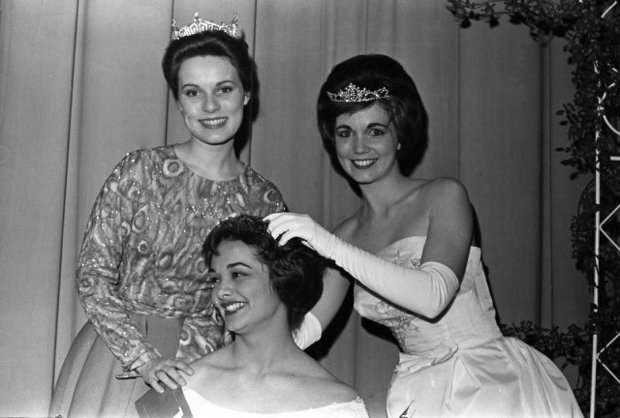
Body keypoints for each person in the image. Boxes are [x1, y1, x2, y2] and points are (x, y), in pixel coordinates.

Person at [265, 54, 583, 418]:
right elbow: (305, 332)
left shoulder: (444, 196)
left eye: (376, 130)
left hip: (489, 385)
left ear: (400, 135)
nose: (359, 148)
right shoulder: (345, 234)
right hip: (417, 392)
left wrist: (328, 244)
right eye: (345, 133)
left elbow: (433, 297)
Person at [49, 14, 288, 418]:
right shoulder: (139, 170)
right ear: (179, 100)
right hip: (123, 362)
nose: (210, 106)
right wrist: (143, 358)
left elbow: (268, 304)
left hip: (215, 365)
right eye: (193, 92)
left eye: (224, 89)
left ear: (247, 94)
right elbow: (93, 275)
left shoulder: (265, 200)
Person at [136, 214, 369, 417]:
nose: (221, 291)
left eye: (238, 274)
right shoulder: (181, 387)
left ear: (283, 281)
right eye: (216, 279)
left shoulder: (339, 404)